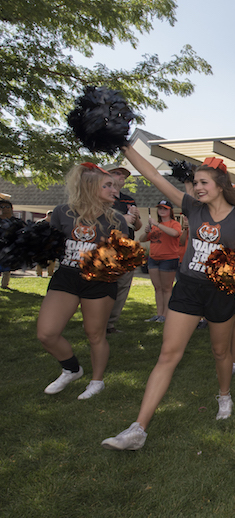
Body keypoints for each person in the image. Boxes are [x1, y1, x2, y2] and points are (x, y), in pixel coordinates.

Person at [101, 147, 235, 451]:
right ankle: (138, 429)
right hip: (187, 288)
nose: (197, 187)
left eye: (203, 183)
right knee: (168, 354)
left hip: (222, 293)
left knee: (220, 352)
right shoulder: (191, 206)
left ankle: (224, 395)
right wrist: (124, 146)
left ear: (220, 185)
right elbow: (154, 175)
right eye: (195, 182)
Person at [37, 163, 129, 399]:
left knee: (95, 334)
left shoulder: (117, 220)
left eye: (113, 185)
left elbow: (122, 258)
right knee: (47, 333)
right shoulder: (61, 212)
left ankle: (97, 381)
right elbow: (53, 244)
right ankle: (71, 369)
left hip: (99, 281)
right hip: (66, 277)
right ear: (89, 187)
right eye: (107, 185)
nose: (114, 190)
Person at [105, 166, 142, 334]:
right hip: (108, 249)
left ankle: (111, 324)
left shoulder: (128, 200)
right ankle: (97, 321)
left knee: (122, 287)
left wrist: (136, 217)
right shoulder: (102, 198)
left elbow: (137, 226)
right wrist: (122, 219)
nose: (122, 177)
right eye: (117, 173)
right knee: (105, 285)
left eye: (124, 175)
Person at [139, 200, 182, 322]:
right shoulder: (155, 225)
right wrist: (147, 231)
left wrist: (157, 225)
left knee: (167, 288)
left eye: (165, 208)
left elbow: (175, 233)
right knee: (158, 288)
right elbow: (143, 239)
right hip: (153, 259)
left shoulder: (174, 223)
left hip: (168, 258)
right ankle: (159, 314)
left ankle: (166, 315)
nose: (162, 211)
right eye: (160, 208)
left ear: (170, 211)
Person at [35, 210, 57, 277]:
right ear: (47, 215)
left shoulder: (55, 224)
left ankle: (50, 273)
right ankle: (39, 274)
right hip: (41, 244)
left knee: (51, 260)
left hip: (51, 244)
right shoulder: (40, 223)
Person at [0, 199, 13, 288]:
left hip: (9, 249)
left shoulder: (16, 222)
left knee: (7, 269)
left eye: (7, 207)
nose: (5, 209)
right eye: (2, 207)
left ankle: (5, 285)